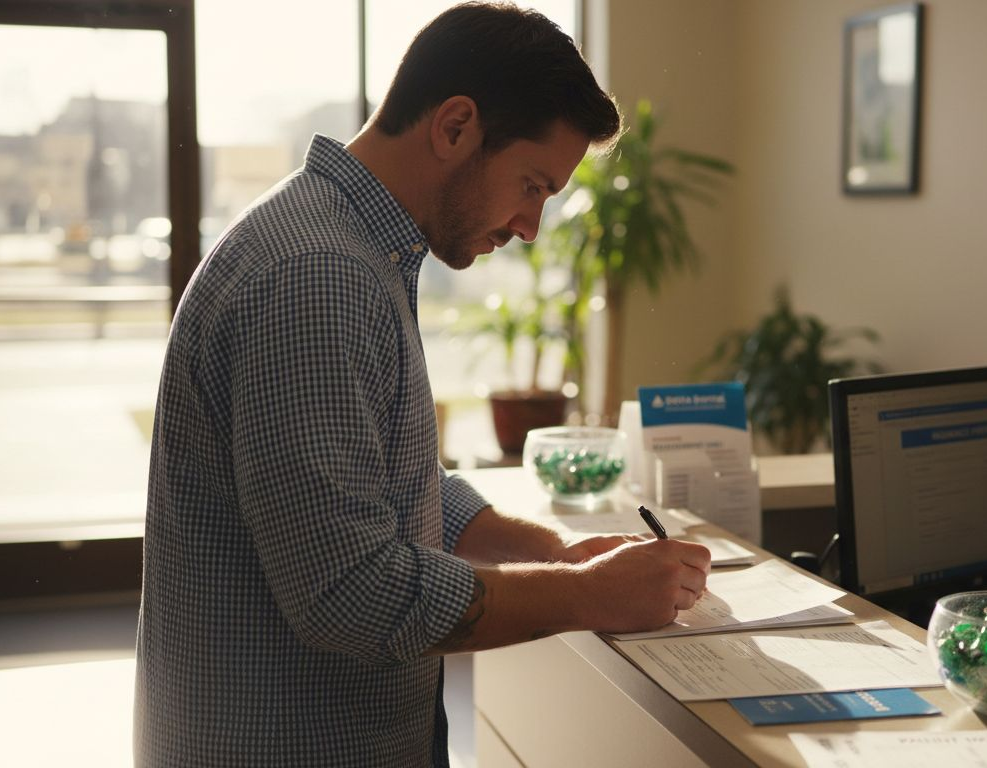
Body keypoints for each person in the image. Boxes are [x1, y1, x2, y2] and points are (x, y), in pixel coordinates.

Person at [134, 3, 711, 766]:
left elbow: (382, 479)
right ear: (455, 127)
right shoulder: (318, 276)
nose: (531, 226)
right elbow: (352, 593)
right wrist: (587, 595)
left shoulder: (346, 246)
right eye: (532, 185)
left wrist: (558, 553)